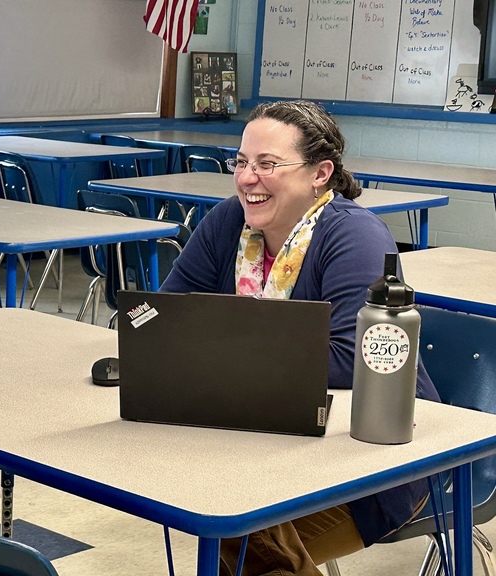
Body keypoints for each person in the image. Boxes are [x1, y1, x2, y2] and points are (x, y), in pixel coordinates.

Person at [160, 100, 440, 576]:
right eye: (242, 163)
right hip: (263, 442)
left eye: (267, 164)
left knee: (243, 543)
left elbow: (353, 361)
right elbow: (164, 318)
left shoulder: (353, 236)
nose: (248, 178)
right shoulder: (231, 222)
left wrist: (216, 352)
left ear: (320, 173)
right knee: (211, 511)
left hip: (370, 465)